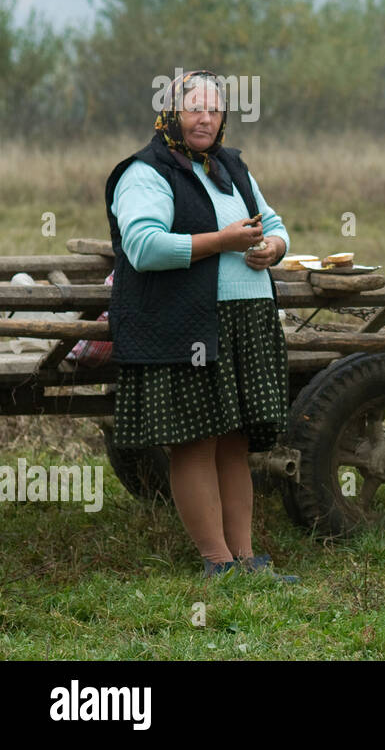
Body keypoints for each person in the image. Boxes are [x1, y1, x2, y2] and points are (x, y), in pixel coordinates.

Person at [105, 70, 297, 581]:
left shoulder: (229, 166)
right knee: (196, 441)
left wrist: (272, 248)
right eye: (194, 108)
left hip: (244, 320)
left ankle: (247, 561)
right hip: (187, 324)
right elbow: (144, 247)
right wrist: (223, 241)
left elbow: (274, 225)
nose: (206, 117)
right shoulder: (146, 171)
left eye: (214, 109)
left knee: (234, 440)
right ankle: (217, 563)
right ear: (171, 113)